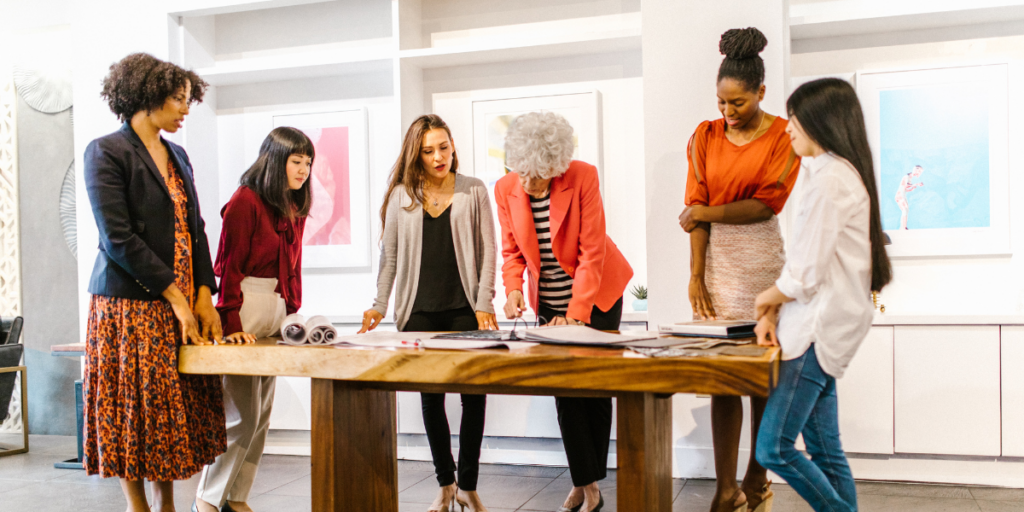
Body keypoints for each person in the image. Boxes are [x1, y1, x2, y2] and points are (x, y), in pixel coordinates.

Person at [82, 53, 225, 512]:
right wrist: (177, 297)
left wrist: (203, 294)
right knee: (133, 409)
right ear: (147, 96)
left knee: (170, 407)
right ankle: (137, 505)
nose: (186, 108)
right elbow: (117, 237)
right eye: (178, 99)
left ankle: (167, 504)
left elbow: (194, 228)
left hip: (180, 299)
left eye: (189, 99)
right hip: (129, 304)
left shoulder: (178, 154)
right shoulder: (105, 151)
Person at [753, 77, 893, 512]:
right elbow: (808, 266)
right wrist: (775, 308)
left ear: (819, 121)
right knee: (826, 453)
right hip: (822, 329)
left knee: (773, 449)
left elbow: (806, 273)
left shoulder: (832, 178)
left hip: (816, 331)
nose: (787, 127)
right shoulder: (832, 174)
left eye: (794, 119)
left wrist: (765, 301)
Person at [677, 27, 802, 512]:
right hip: (717, 268)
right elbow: (695, 207)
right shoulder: (705, 136)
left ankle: (757, 475)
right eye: (721, 102)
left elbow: (766, 205)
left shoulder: (781, 136)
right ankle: (725, 487)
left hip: (762, 263)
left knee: (761, 377)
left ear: (761, 94)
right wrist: (695, 275)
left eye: (738, 104)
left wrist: (704, 213)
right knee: (720, 379)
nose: (727, 113)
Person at [359, 114, 498, 512]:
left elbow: (489, 251)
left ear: (453, 145)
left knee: (473, 397)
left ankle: (468, 486)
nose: (439, 156)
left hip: (465, 310)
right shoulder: (403, 195)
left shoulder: (473, 190)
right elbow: (390, 259)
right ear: (416, 155)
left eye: (444, 146)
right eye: (428, 150)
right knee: (431, 399)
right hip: (418, 311)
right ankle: (445, 484)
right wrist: (379, 305)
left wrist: (485, 302)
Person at [495, 111, 633, 512]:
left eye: (535, 175)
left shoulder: (583, 177)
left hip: (598, 296)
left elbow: (592, 253)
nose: (525, 182)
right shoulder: (506, 188)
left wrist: (577, 315)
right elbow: (512, 253)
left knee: (593, 387)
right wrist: (513, 291)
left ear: (555, 168)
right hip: (549, 302)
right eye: (519, 171)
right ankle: (585, 483)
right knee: (563, 389)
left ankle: (588, 480)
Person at [194, 127, 312, 512]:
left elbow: (292, 270)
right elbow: (228, 266)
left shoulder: (292, 207)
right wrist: (231, 326)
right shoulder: (246, 200)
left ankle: (236, 497)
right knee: (240, 416)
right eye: (297, 161)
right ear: (276, 160)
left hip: (274, 313)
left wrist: (292, 315)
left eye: (309, 163)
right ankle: (207, 500)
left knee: (261, 417)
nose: (304, 170)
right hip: (242, 309)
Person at [896, 165, 924, 229]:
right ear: (915, 170)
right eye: (919, 171)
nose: (919, 173)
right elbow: (906, 186)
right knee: (905, 210)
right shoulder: (906, 177)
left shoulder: (910, 179)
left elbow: (906, 189)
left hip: (903, 195)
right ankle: (903, 227)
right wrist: (916, 184)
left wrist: (912, 188)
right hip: (900, 195)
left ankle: (904, 226)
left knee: (906, 210)